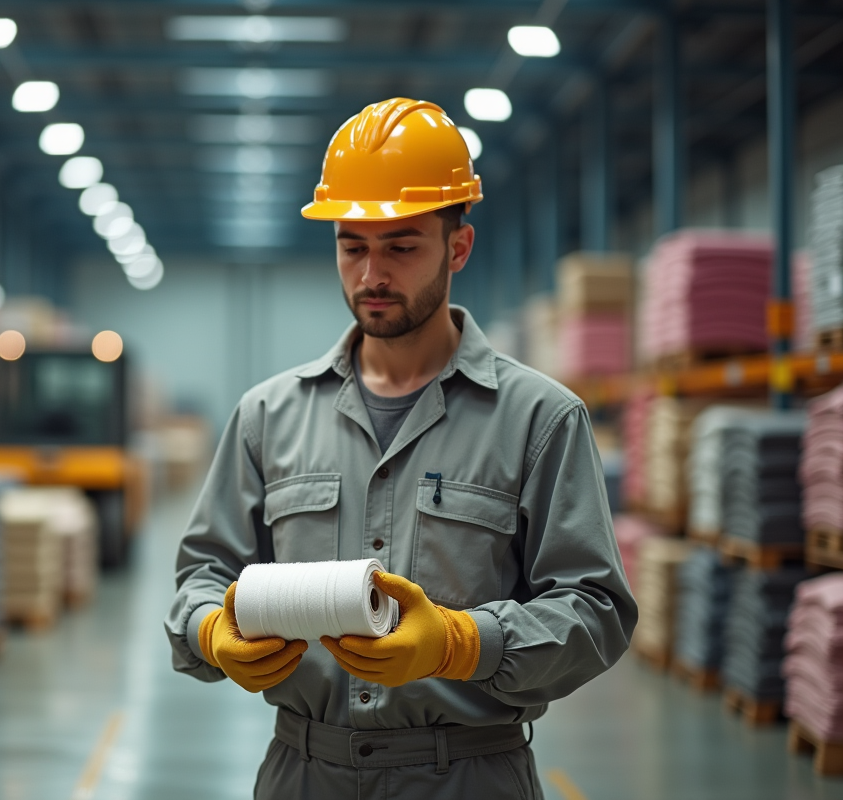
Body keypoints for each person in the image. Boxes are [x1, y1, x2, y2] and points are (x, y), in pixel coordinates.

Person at [165, 97, 637, 799]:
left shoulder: (541, 418)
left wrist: (458, 642)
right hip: (304, 772)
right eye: (351, 246)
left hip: (469, 774)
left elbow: (597, 610)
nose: (370, 276)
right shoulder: (268, 415)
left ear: (458, 246)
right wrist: (211, 634)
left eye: (401, 246)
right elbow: (200, 576)